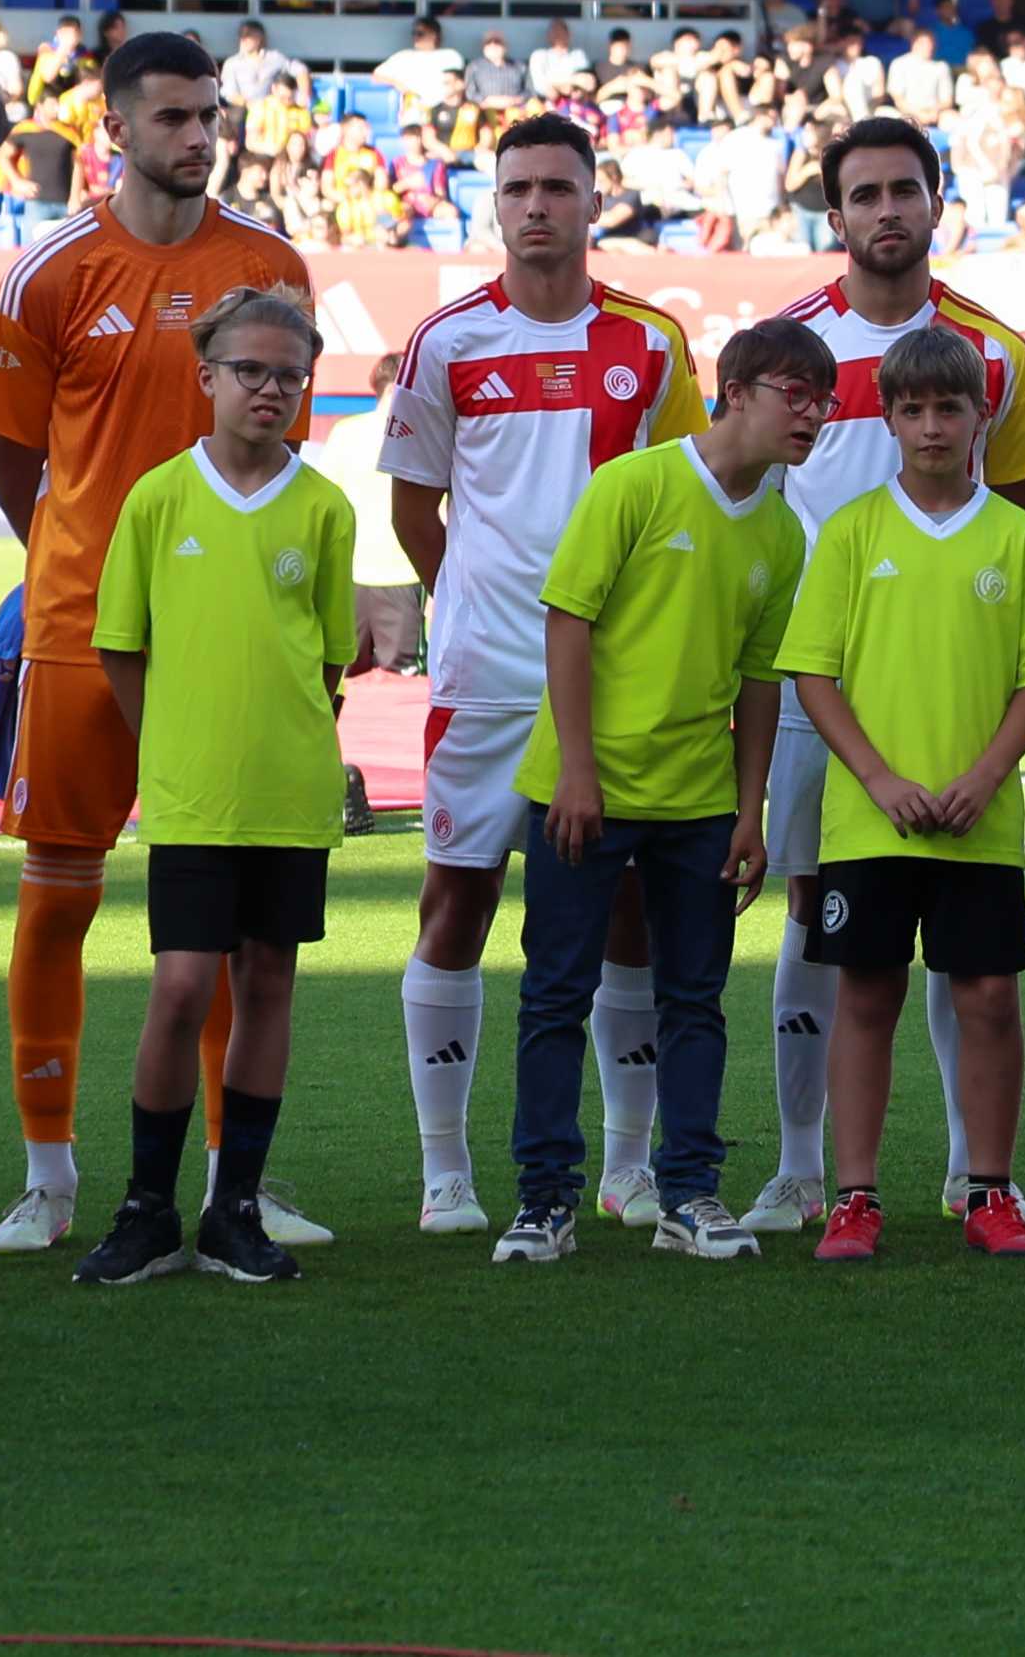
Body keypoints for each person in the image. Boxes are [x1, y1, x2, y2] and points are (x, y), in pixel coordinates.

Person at [0, 31, 317, 1256]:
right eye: (172, 115)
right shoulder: (47, 274)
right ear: (113, 127)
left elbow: (285, 448)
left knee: (225, 922)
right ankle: (50, 1173)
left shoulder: (267, 264)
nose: (197, 134)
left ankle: (238, 1180)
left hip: (226, 645)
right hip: (78, 630)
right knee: (60, 891)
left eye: (209, 113)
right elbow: (17, 466)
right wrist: (83, 570)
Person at [373, 112, 705, 1235]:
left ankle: (623, 1168)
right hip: (486, 675)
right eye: (517, 188)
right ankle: (446, 1171)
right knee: (456, 896)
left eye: (558, 187)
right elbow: (418, 508)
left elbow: (685, 497)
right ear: (493, 201)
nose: (536, 207)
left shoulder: (654, 343)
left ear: (594, 199)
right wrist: (473, 597)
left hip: (624, 683)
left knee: (626, 912)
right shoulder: (446, 343)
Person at [746, 120, 1025, 1238]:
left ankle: (977, 1174)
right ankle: (804, 1169)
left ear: (937, 202)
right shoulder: (790, 347)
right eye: (864, 194)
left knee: (971, 965)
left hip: (958, 690)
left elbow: (1015, 523)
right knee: (821, 936)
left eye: (904, 191)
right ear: (835, 215)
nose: (886, 211)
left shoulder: (997, 353)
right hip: (815, 684)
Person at [491, 319, 825, 1267]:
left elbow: (762, 681)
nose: (812, 414)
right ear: (737, 391)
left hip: (698, 801)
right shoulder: (633, 484)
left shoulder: (782, 529)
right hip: (582, 791)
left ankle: (689, 1195)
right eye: (794, 393)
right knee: (556, 995)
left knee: (697, 1001)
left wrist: (749, 808)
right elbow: (569, 621)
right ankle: (543, 1200)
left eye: (823, 399)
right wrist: (578, 771)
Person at [72, 288, 351, 1285]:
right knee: (183, 986)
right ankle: (148, 1206)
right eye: (251, 370)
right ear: (208, 377)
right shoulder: (159, 498)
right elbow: (121, 646)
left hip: (289, 790)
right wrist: (175, 747)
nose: (271, 389)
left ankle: (236, 1206)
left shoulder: (323, 506)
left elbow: (325, 658)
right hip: (194, 796)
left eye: (289, 374)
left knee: (267, 982)